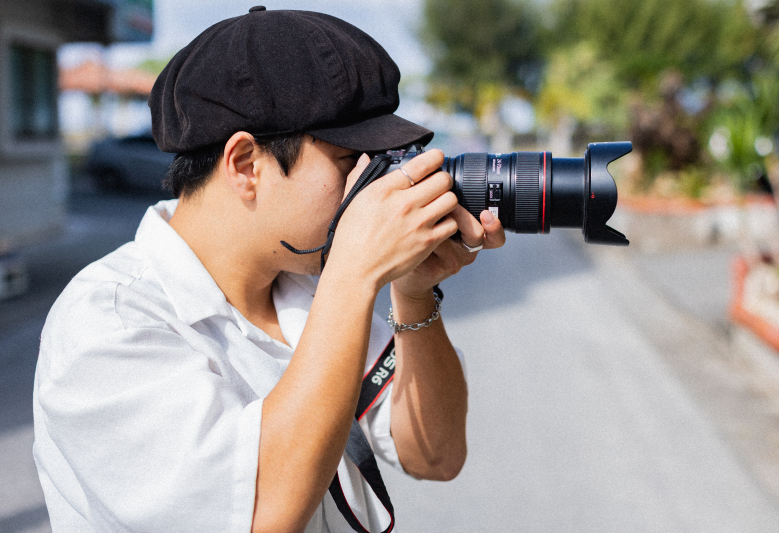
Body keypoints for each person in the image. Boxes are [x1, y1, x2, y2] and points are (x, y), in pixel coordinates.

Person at [33, 7, 505, 532]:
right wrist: (352, 275)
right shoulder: (109, 323)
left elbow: (435, 456)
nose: (370, 189)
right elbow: (259, 517)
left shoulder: (307, 285)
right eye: (351, 162)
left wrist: (414, 297)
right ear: (245, 165)